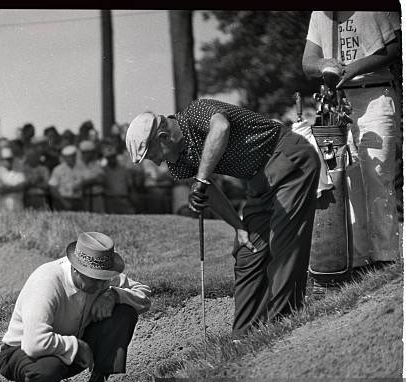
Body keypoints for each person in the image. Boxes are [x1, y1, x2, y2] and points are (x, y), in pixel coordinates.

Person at [126, 101, 320, 338]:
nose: (156, 163)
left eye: (153, 154)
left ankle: (284, 324)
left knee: (283, 243)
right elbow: (209, 192)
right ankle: (244, 336)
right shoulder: (177, 162)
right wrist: (238, 227)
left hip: (287, 157)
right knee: (248, 253)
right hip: (259, 182)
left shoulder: (195, 112)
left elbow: (221, 128)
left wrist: (202, 179)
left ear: (164, 137)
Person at [0, 231, 151, 382]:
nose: (101, 284)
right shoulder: (46, 281)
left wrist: (114, 295)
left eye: (104, 278)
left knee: (124, 313)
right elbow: (34, 343)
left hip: (71, 347)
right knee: (47, 367)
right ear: (76, 270)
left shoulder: (103, 281)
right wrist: (77, 347)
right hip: (21, 352)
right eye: (95, 279)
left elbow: (144, 296)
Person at [302, 11, 402, 268]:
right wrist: (326, 65)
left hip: (375, 94)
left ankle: (385, 256)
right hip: (341, 102)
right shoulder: (319, 15)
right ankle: (358, 260)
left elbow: (395, 48)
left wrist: (353, 68)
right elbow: (307, 62)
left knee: (378, 174)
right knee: (348, 179)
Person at [101, 142, 135, 214]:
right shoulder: (103, 171)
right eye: (109, 157)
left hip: (124, 199)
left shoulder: (123, 169)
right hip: (110, 201)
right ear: (107, 158)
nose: (112, 159)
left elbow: (130, 186)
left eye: (113, 156)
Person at [48, 145, 85, 211]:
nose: (70, 159)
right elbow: (52, 188)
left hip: (79, 200)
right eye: (68, 157)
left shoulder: (82, 167)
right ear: (64, 157)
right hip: (62, 200)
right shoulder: (58, 169)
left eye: (72, 156)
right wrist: (63, 202)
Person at [78, 140, 106, 212]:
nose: (93, 154)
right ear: (84, 153)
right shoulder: (77, 165)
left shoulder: (96, 164)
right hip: (83, 197)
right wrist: (94, 180)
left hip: (97, 197)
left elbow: (102, 179)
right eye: (90, 152)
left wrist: (87, 182)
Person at [0, 147, 27, 212]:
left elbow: (22, 186)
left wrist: (8, 188)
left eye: (10, 159)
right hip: (2, 208)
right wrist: (14, 188)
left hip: (18, 207)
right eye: (5, 159)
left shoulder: (19, 172)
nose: (8, 161)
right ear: (1, 160)